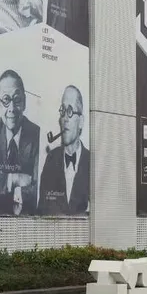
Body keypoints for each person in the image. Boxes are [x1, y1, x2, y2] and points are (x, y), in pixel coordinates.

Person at [0, 70, 41, 215]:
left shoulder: (36, 134)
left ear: (25, 101)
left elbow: (38, 187)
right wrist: (13, 179)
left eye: (17, 100)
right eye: (6, 100)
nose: (12, 109)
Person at [39, 85, 90, 215]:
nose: (65, 118)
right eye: (63, 111)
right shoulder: (51, 159)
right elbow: (42, 210)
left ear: (81, 122)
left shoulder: (93, 163)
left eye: (70, 111)